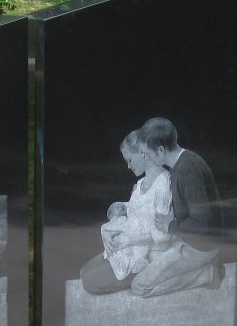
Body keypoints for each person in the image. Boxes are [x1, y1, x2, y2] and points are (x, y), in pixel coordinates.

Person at [129, 117, 222, 297]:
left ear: (161, 150)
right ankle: (203, 268)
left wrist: (170, 226)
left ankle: (207, 273)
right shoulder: (179, 163)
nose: (145, 158)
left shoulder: (188, 169)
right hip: (188, 238)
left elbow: (202, 223)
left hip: (201, 245)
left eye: (147, 154)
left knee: (139, 286)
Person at [79, 131, 173, 296]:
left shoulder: (164, 183)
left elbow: (164, 235)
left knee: (89, 282)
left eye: (130, 160)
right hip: (130, 250)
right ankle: (125, 272)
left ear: (144, 154)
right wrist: (107, 231)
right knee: (83, 272)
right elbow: (130, 213)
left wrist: (129, 240)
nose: (128, 166)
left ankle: (144, 279)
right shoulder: (140, 184)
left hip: (149, 257)